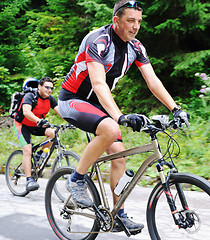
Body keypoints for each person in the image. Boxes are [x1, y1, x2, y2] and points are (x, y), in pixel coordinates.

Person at [58, 0, 190, 233]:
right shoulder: (98, 41)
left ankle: (117, 214)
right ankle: (76, 180)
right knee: (110, 129)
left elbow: (153, 81)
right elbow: (98, 83)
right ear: (116, 20)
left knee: (119, 157)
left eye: (139, 21)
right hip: (73, 100)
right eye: (130, 20)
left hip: (100, 105)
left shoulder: (136, 47)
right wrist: (119, 116)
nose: (136, 26)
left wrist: (175, 109)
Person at [14, 77, 61, 192]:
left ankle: (40, 154)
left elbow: (61, 112)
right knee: (28, 150)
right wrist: (39, 120)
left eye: (51, 88)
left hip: (36, 125)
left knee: (53, 133)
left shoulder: (50, 99)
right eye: (47, 87)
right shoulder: (30, 96)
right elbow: (26, 111)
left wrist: (74, 121)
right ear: (39, 86)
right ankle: (29, 180)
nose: (49, 90)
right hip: (22, 125)